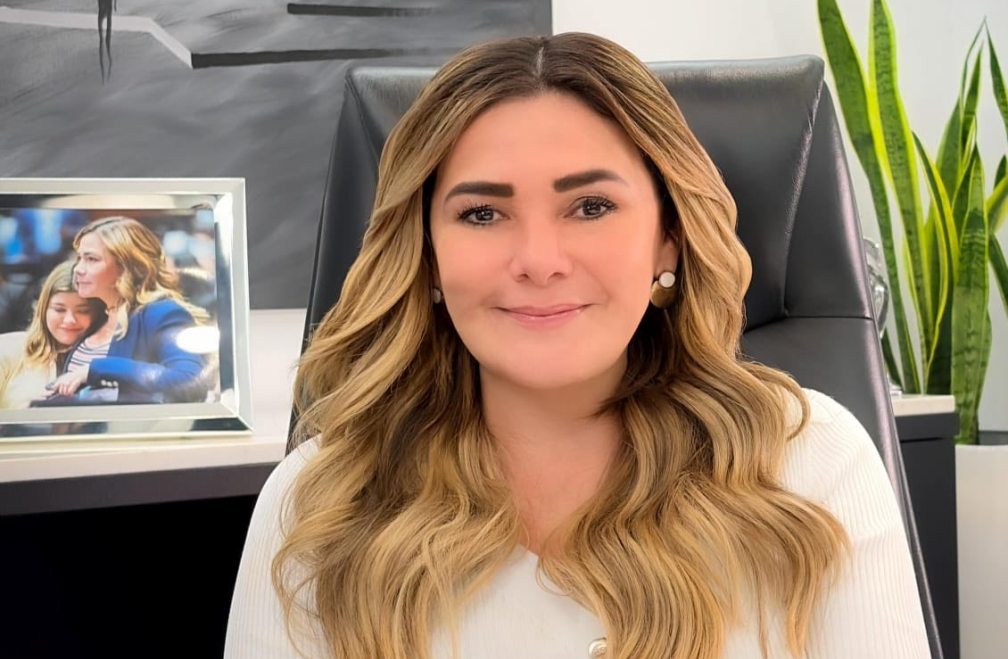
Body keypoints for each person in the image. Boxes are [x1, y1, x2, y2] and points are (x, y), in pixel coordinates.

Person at [225, 33, 931, 659]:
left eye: (591, 207)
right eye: (482, 213)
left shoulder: (810, 465)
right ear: (427, 254)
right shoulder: (321, 501)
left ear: (668, 240)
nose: (539, 260)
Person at [48, 216, 212, 404]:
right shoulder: (95, 314)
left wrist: (96, 369)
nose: (78, 269)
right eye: (79, 258)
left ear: (127, 266)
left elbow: (190, 381)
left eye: (91, 259)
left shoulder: (162, 312)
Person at [0, 261, 104, 409]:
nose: (69, 320)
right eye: (59, 309)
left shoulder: (108, 356)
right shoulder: (7, 348)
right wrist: (20, 410)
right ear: (43, 309)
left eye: (82, 311)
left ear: (97, 314)